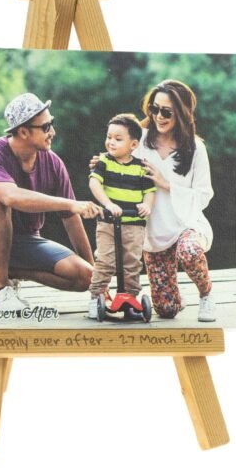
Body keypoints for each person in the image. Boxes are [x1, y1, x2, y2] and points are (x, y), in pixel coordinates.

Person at [0, 92, 103, 311]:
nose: (52, 132)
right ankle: (2, 291)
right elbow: (10, 197)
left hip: (25, 240)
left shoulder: (54, 163)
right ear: (23, 131)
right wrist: (69, 203)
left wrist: (97, 283)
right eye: (45, 127)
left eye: (52, 123)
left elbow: (71, 219)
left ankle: (10, 271)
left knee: (85, 276)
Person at [136, 80, 216, 322]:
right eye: (154, 108)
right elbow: (116, 160)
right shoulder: (138, 140)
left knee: (189, 251)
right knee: (166, 310)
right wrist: (102, 166)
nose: (158, 116)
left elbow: (204, 195)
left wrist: (167, 184)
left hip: (186, 225)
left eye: (166, 112)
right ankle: (174, 299)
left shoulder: (195, 148)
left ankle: (206, 295)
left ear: (182, 113)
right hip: (154, 233)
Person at [86, 114, 156, 318]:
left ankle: (130, 299)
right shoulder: (104, 161)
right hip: (109, 222)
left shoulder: (141, 167)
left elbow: (150, 191)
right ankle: (96, 297)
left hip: (134, 223)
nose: (111, 142)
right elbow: (94, 182)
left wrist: (147, 205)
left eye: (118, 139)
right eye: (109, 137)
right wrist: (108, 204)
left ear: (133, 144)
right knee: (105, 261)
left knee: (132, 263)